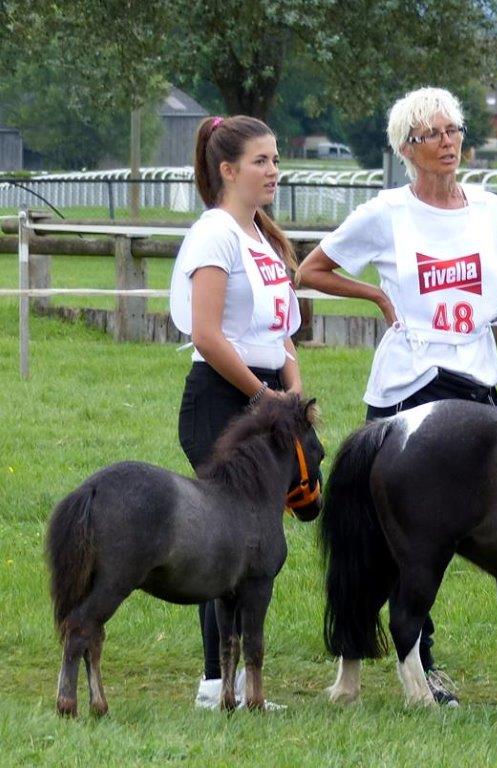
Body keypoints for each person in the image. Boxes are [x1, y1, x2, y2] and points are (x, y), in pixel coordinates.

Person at [295, 87, 497, 708]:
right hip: (409, 384)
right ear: (406, 149)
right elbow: (309, 270)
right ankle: (421, 666)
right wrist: (376, 295)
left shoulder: (493, 212)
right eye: (433, 135)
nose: (448, 143)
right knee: (410, 540)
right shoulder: (386, 213)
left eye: (454, 130)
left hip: (477, 381)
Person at [169, 115, 302, 709]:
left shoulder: (264, 238)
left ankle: (242, 682)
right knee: (224, 540)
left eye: (276, 160)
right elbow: (206, 334)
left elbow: (281, 333)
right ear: (227, 170)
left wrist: (291, 391)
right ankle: (214, 682)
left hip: (266, 399)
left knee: (256, 539)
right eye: (260, 161)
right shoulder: (214, 234)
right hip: (223, 399)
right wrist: (260, 395)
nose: (273, 171)